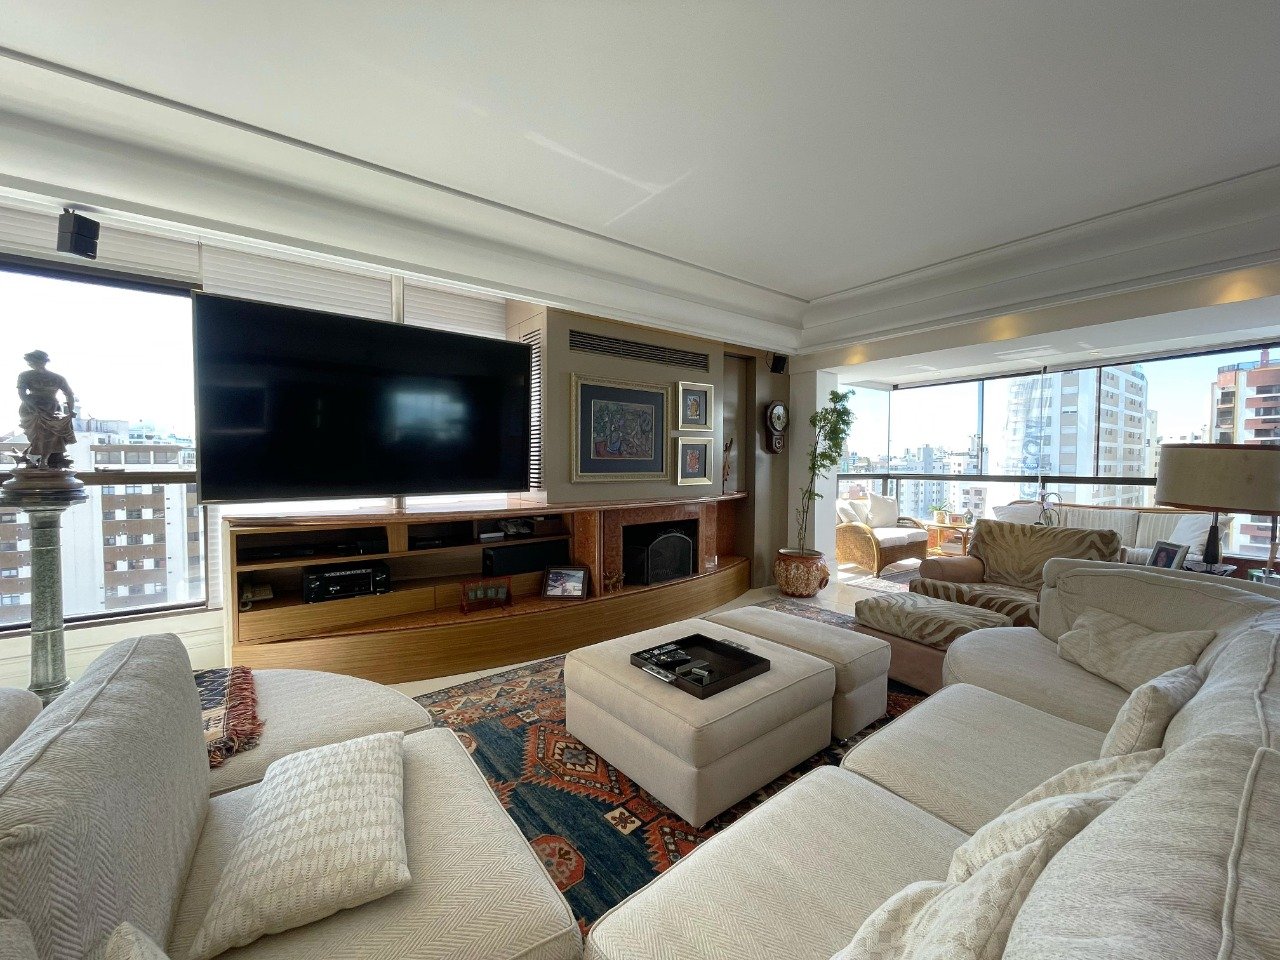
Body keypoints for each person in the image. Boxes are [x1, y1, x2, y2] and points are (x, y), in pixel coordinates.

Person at [16, 350, 76, 469]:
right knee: (39, 433)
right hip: (31, 407)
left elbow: (69, 394)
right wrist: (33, 407)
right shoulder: (25, 375)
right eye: (30, 362)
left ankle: (45, 460)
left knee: (52, 431)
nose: (32, 364)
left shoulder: (57, 377)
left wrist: (71, 410)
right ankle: (38, 459)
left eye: (34, 361)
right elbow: (22, 394)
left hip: (51, 407)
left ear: (44, 362)